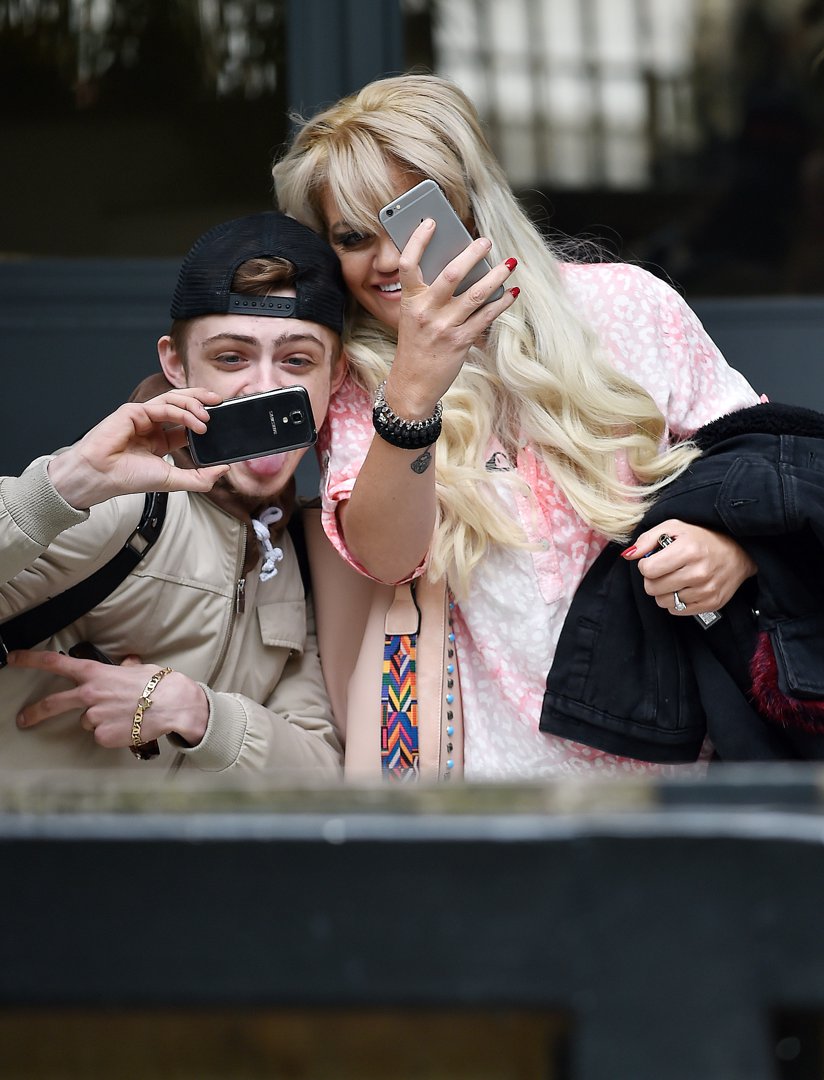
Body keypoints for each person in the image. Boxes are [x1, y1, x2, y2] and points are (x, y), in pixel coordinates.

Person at [272, 73, 762, 780]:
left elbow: (760, 476)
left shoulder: (628, 305)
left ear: (473, 202)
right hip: (493, 779)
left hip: (686, 769)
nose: (388, 259)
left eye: (407, 219)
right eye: (351, 237)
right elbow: (385, 557)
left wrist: (730, 552)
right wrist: (414, 385)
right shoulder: (356, 376)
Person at [0, 211, 347, 776]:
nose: (264, 386)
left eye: (297, 360)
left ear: (336, 375)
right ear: (176, 365)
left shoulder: (296, 547)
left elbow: (321, 774)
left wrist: (197, 714)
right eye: (231, 357)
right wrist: (65, 485)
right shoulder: (122, 505)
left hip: (156, 864)